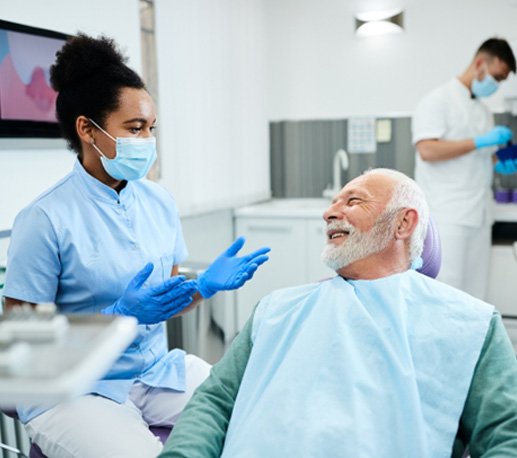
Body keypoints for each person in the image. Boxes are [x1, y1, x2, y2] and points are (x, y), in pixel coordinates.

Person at [2, 34, 270, 458]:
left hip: (153, 372)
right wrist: (117, 316)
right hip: (75, 388)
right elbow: (25, 354)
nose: (147, 140)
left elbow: (166, 297)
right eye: (134, 128)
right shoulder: (45, 219)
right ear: (87, 129)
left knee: (262, 413)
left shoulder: (157, 200)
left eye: (151, 128)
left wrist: (202, 288)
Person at [159, 168, 517, 458]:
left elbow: (505, 437)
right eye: (333, 203)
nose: (330, 212)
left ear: (403, 224)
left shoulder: (469, 324)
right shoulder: (277, 310)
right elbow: (215, 402)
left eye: (354, 201)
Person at [412, 37, 516, 300]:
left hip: (479, 215)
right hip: (448, 215)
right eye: (497, 76)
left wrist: (501, 161)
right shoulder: (437, 100)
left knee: (475, 296)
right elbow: (427, 150)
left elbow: (482, 156)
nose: (498, 85)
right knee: (447, 293)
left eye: (502, 80)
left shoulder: (484, 111)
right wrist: (480, 141)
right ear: (480, 63)